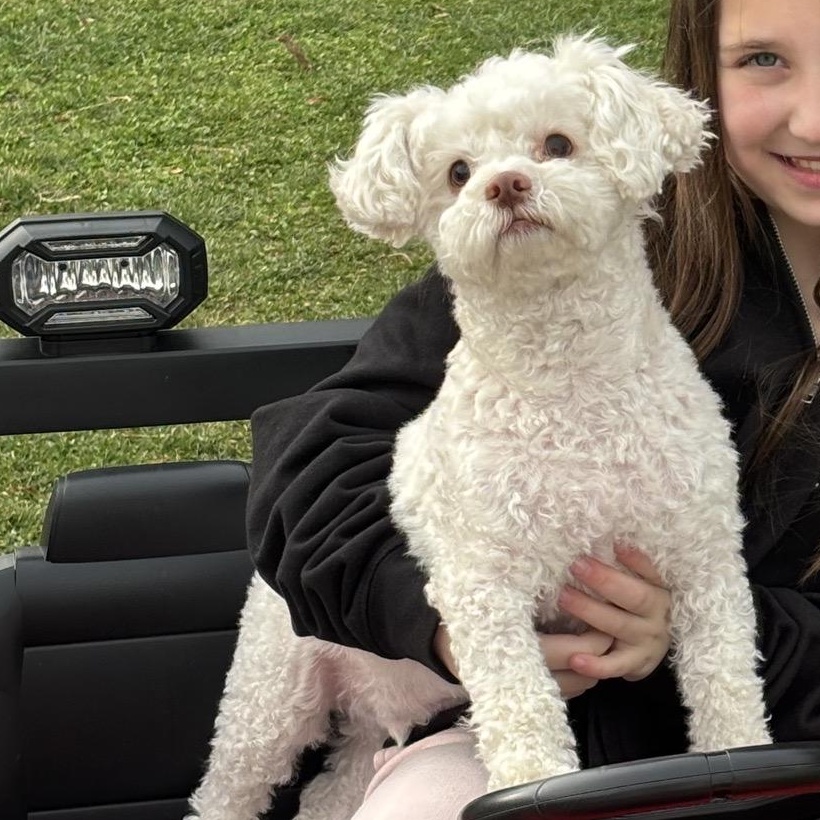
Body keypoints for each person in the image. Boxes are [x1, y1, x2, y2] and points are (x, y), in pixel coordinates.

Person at [246, 0, 820, 816]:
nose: (814, 114)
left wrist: (703, 629)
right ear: (702, 72)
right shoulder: (543, 260)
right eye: (763, 59)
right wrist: (447, 623)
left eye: (553, 148)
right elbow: (311, 472)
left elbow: (720, 607)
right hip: (512, 743)